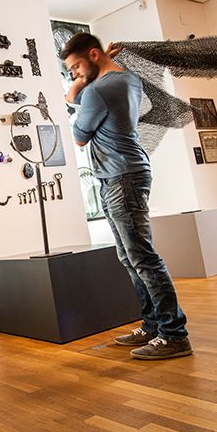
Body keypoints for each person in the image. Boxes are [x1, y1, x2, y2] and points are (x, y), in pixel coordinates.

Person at [60, 33, 192, 360]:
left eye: (76, 66)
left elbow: (79, 136)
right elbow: (79, 97)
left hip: (122, 176)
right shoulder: (126, 79)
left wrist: (81, 83)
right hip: (120, 175)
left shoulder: (98, 90)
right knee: (130, 257)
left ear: (94, 55)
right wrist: (93, 70)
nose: (74, 73)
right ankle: (152, 325)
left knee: (143, 258)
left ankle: (174, 335)